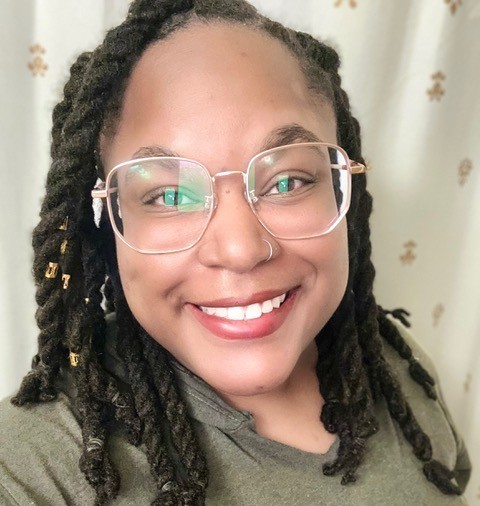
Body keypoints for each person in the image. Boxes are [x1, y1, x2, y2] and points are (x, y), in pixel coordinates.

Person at [0, 0, 472, 505]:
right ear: (106, 226)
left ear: (343, 190)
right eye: (169, 195)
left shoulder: (398, 367)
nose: (241, 250)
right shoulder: (34, 468)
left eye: (287, 181)